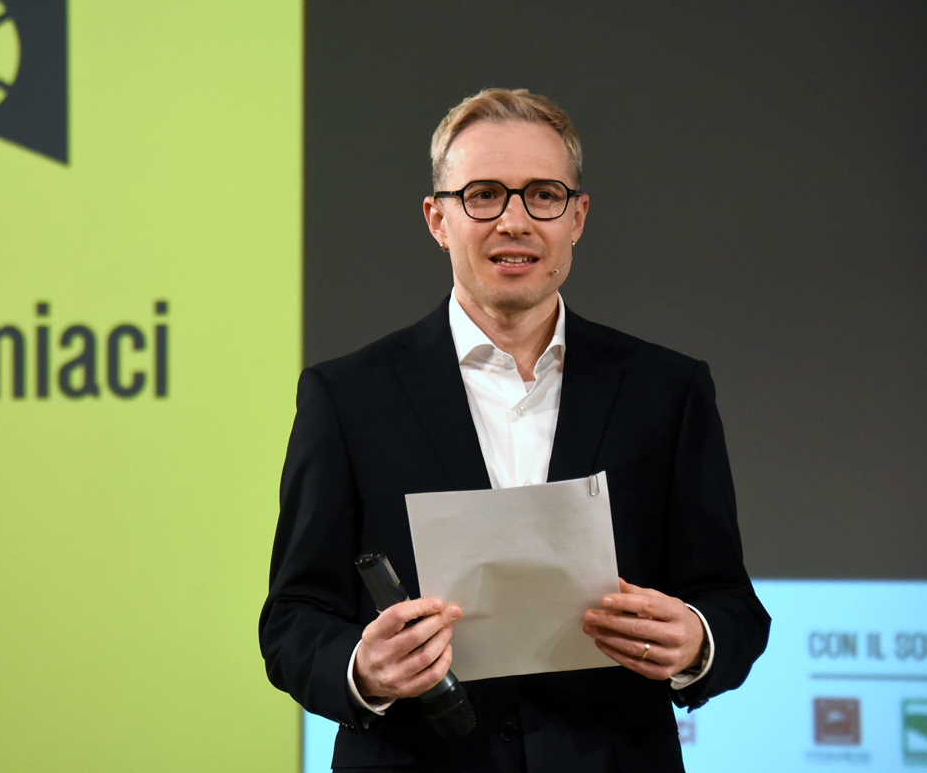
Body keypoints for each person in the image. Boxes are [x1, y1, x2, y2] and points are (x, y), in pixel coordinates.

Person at [259, 88, 770, 772]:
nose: (514, 221)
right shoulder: (347, 397)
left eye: (543, 196)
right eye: (483, 196)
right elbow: (293, 617)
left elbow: (730, 603)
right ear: (437, 219)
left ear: (577, 217)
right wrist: (362, 668)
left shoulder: (666, 390)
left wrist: (696, 641)